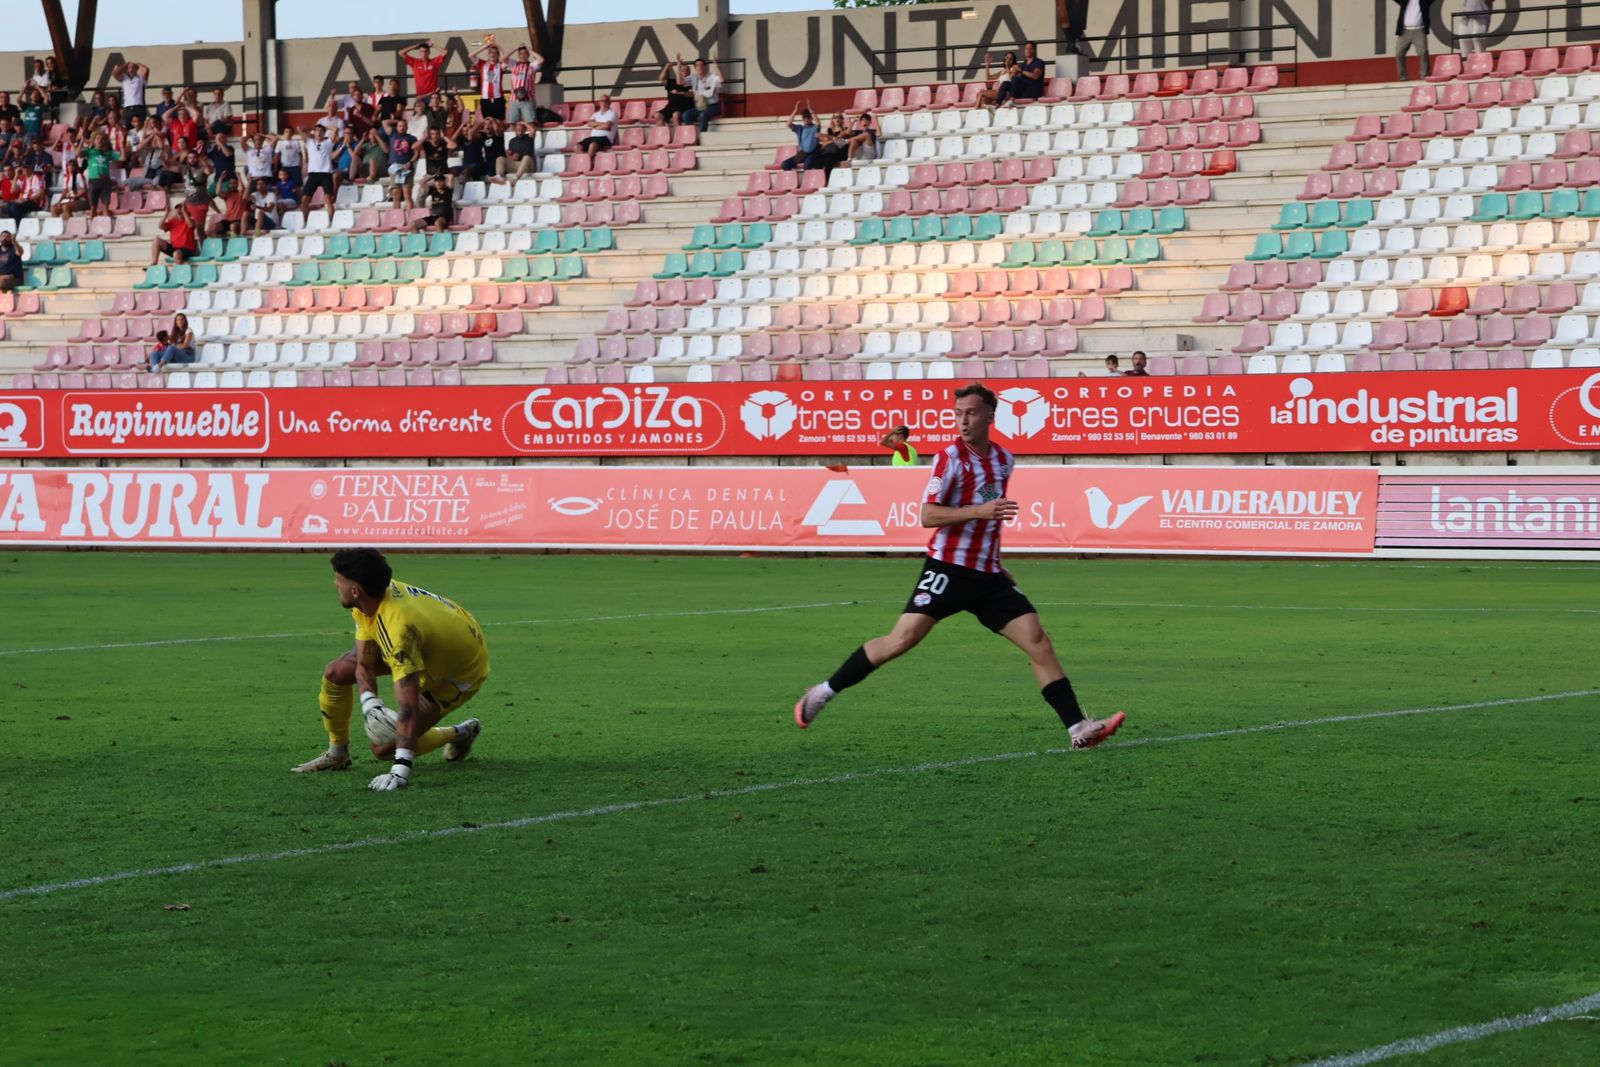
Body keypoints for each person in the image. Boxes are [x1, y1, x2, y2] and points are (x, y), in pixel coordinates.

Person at [791, 383, 1126, 750]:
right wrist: (978, 510)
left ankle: (1077, 727)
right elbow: (927, 515)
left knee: (1038, 642)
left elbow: (991, 520)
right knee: (901, 640)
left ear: (989, 417)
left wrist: (997, 563)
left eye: (970, 413)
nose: (963, 421)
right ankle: (822, 692)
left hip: (988, 576)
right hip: (947, 570)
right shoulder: (949, 458)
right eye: (958, 413)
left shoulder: (1003, 459)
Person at [293, 548, 488, 790]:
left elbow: (408, 707)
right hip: (438, 636)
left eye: (339, 580)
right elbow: (363, 663)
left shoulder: (398, 631)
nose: (335, 583)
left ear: (355, 590)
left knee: (384, 748)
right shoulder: (368, 598)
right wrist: (369, 703)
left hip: (458, 670)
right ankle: (337, 754)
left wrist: (400, 772)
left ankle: (461, 732)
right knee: (336, 672)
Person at [1394, 0, 1439, 81]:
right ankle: (1402, 77)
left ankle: (1424, 76)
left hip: (1419, 30)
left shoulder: (1424, 1)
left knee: (1423, 52)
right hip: (1404, 31)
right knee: (1399, 53)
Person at [995, 41, 1046, 106]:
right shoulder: (1023, 64)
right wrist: (1011, 69)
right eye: (1026, 49)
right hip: (1023, 91)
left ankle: (1011, 99)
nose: (1028, 50)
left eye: (1030, 48)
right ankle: (997, 105)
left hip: (1034, 91)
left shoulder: (1039, 62)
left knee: (1016, 79)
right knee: (1005, 83)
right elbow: (1012, 79)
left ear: (1034, 50)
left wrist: (1020, 71)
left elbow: (1035, 76)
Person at [683, 57, 725, 133]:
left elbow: (722, 80)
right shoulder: (693, 77)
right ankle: (691, 136)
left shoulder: (711, 76)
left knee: (703, 114)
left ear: (705, 66)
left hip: (713, 106)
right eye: (697, 65)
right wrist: (679, 65)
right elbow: (680, 82)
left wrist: (716, 65)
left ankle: (702, 136)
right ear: (695, 68)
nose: (700, 67)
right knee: (686, 114)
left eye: (702, 65)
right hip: (700, 106)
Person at [150, 200, 198, 265]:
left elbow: (191, 225)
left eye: (181, 208)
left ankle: (180, 273)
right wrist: (166, 214)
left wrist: (184, 212)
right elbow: (160, 226)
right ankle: (154, 263)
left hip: (187, 249)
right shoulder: (173, 222)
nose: (179, 209)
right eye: (177, 208)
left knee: (176, 253)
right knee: (156, 241)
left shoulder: (190, 220)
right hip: (175, 248)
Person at [472, 42, 507, 121]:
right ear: (488, 54)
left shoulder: (500, 65)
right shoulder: (483, 64)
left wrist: (499, 47)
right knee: (487, 123)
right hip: (485, 98)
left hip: (498, 98)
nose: (493, 54)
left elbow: (506, 59)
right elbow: (471, 55)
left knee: (499, 122)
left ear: (498, 55)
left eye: (495, 53)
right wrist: (484, 46)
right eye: (491, 52)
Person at [781, 100, 819, 171]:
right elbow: (788, 124)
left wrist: (811, 110)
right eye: (804, 117)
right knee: (785, 164)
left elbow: (818, 123)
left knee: (808, 163)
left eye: (808, 117)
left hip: (811, 153)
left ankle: (806, 181)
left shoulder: (814, 127)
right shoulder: (800, 128)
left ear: (811, 118)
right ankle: (791, 180)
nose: (806, 119)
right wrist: (795, 111)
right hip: (801, 154)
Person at [578, 94, 618, 160]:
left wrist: (595, 126)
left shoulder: (613, 114)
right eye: (602, 101)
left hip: (606, 139)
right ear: (599, 103)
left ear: (609, 102)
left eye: (606, 101)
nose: (604, 102)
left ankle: (589, 164)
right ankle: (582, 162)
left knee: (592, 145)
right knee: (577, 146)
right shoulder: (596, 114)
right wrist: (603, 124)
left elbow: (607, 126)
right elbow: (589, 123)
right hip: (593, 138)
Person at [658, 58, 695, 127]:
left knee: (675, 115)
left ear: (689, 73)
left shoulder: (691, 83)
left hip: (684, 107)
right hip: (670, 107)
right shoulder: (672, 82)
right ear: (679, 72)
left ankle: (678, 136)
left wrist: (682, 93)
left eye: (687, 71)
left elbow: (692, 94)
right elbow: (661, 79)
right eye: (683, 70)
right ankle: (661, 136)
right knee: (658, 115)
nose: (685, 72)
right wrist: (666, 68)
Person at [112, 59, 150, 125]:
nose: (131, 69)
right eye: (129, 68)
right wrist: (125, 65)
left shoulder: (141, 78)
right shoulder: (124, 78)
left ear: (136, 69)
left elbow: (146, 70)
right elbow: (115, 73)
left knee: (140, 126)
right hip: (128, 107)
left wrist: (138, 63)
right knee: (129, 128)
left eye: (133, 67)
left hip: (139, 106)